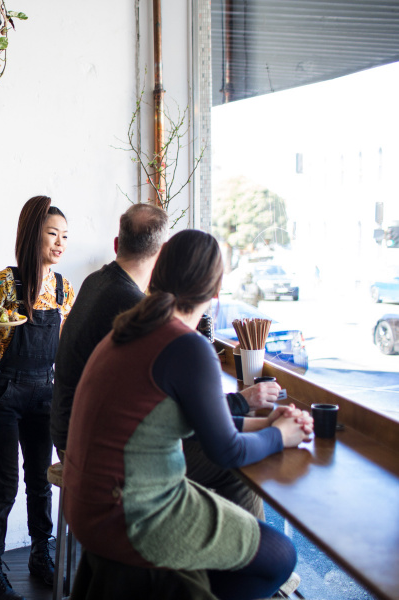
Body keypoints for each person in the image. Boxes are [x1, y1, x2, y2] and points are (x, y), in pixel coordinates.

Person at [63, 229, 313, 600]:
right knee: (280, 556)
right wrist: (281, 436)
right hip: (130, 512)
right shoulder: (186, 345)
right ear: (216, 291)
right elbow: (226, 451)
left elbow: (189, 423)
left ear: (157, 273)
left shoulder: (130, 328)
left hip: (87, 503)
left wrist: (267, 423)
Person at [51, 203, 280, 519]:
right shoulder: (137, 312)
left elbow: (164, 409)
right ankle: (240, 544)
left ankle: (231, 542)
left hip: (70, 432)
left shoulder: (97, 282)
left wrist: (260, 422)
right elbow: (192, 424)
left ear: (117, 244)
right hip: (100, 455)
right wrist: (249, 410)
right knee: (234, 470)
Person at [0, 195, 76, 600]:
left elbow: (65, 344)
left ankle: (40, 555)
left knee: (40, 480)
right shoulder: (6, 281)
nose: (60, 242)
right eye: (52, 234)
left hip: (45, 392)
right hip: (5, 391)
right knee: (4, 485)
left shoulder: (63, 288)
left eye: (65, 235)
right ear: (33, 236)